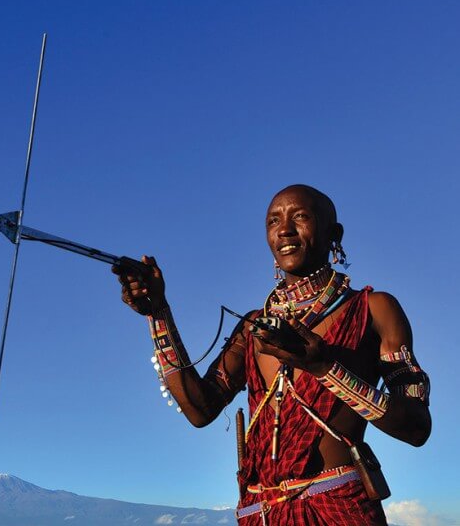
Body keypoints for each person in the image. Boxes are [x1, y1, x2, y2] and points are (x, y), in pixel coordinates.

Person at [113, 184, 431, 525]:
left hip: (337, 509)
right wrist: (158, 313)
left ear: (333, 233)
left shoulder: (373, 309)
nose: (285, 230)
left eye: (301, 217)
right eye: (273, 221)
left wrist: (325, 369)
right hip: (259, 514)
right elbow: (200, 409)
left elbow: (416, 428)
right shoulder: (254, 326)